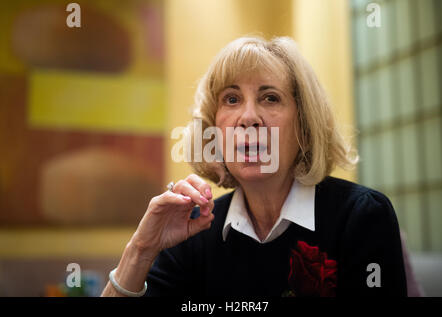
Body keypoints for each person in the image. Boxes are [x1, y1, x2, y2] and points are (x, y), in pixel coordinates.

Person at [101, 36, 407, 297]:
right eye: (231, 99)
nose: (248, 117)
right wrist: (142, 249)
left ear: (303, 126)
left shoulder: (361, 217)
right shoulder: (193, 230)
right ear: (215, 130)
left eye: (270, 98)